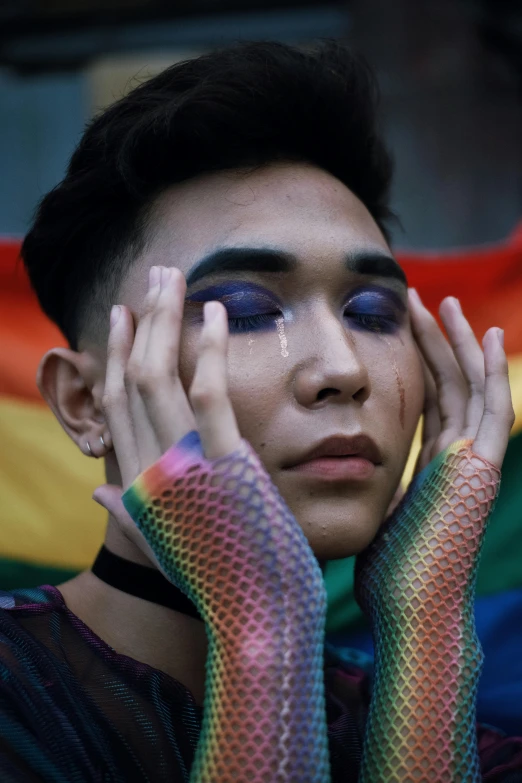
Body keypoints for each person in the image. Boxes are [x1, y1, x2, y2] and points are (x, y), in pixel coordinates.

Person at [1, 39, 520, 782]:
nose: (341, 368)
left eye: (372, 310)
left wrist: (429, 632)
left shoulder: (463, 731)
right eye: (243, 309)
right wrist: (262, 632)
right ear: (86, 403)